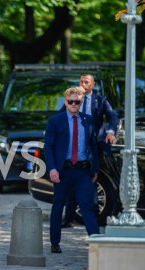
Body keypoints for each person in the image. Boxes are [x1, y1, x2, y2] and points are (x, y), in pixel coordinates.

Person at [44, 87, 100, 254]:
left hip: (83, 171)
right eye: (71, 101)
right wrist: (52, 168)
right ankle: (54, 242)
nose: (74, 104)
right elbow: (49, 147)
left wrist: (94, 168)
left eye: (77, 101)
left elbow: (93, 146)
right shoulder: (55, 121)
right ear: (65, 101)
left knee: (87, 206)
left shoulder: (88, 120)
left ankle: (96, 242)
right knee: (58, 206)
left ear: (81, 102)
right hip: (63, 171)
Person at [61, 74, 119, 228]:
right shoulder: (73, 100)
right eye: (81, 81)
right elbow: (61, 116)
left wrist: (111, 132)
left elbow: (113, 116)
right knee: (71, 183)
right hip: (74, 147)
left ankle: (93, 219)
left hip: (93, 148)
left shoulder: (100, 100)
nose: (83, 84)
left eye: (86, 82)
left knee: (91, 181)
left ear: (92, 85)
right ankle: (68, 219)